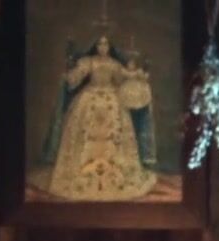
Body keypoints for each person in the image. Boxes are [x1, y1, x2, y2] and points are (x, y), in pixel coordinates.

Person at [39, 35, 156, 201]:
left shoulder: (114, 64)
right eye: (100, 44)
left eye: (106, 44)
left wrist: (139, 74)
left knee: (114, 133)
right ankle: (79, 175)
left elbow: (124, 77)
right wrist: (69, 72)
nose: (103, 47)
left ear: (109, 46)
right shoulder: (89, 61)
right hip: (89, 99)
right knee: (84, 133)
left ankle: (116, 175)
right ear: (95, 46)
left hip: (112, 100)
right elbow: (76, 76)